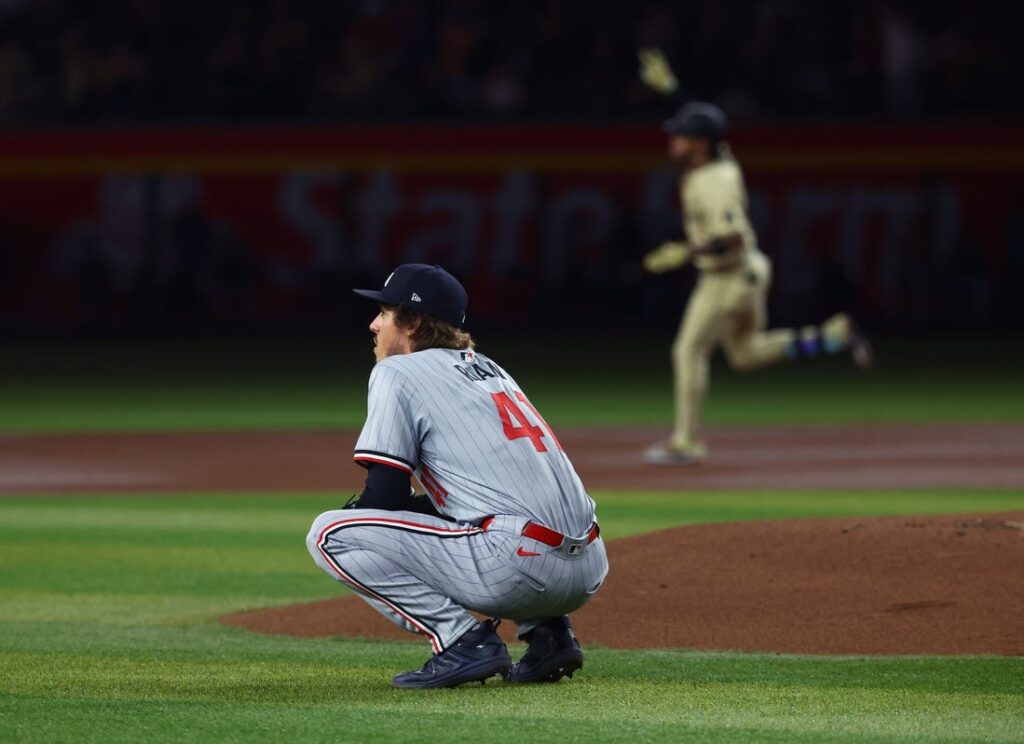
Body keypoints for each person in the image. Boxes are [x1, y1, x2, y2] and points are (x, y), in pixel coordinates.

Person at [306, 263, 608, 689]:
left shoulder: (396, 372)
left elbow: (386, 493)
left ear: (411, 323)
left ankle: (462, 642)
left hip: (518, 571)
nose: (374, 324)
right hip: (590, 565)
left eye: (385, 313)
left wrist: (363, 517)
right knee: (478, 509)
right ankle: (549, 634)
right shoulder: (490, 369)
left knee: (330, 533)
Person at [640, 93, 873, 465]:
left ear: (700, 144)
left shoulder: (711, 180)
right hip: (749, 271)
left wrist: (688, 251)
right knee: (746, 354)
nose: (674, 141)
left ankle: (686, 442)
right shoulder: (719, 165)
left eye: (682, 135)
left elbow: (730, 235)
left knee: (688, 350)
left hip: (727, 277)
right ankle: (829, 336)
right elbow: (719, 146)